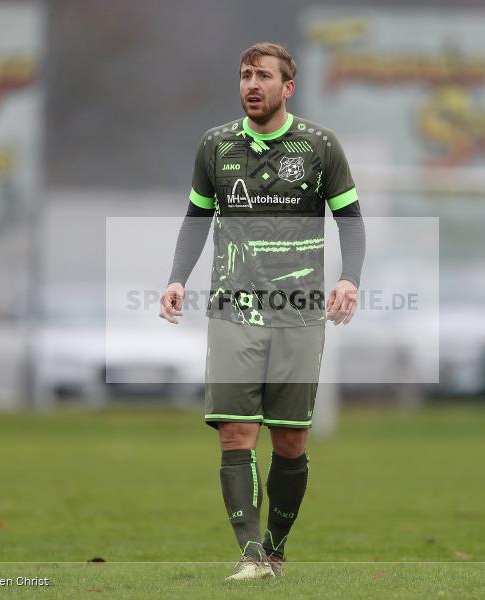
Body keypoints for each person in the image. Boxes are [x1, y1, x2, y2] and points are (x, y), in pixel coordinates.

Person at [159, 42, 365, 581]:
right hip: (233, 309)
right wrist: (177, 279)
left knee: (291, 439)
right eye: (245, 75)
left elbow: (352, 221)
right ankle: (250, 557)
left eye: (264, 76)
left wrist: (349, 278)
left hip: (298, 313)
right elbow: (195, 220)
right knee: (235, 433)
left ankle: (274, 547)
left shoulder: (320, 148)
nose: (252, 84)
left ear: (287, 87)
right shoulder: (216, 146)